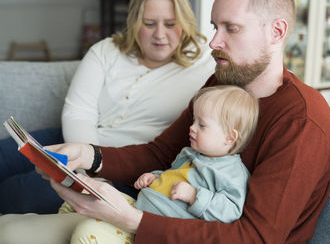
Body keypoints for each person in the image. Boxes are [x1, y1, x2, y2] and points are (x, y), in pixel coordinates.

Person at [0, 0, 330, 243]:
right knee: (10, 229)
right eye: (214, 26)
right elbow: (161, 152)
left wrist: (130, 220)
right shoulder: (220, 83)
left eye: (231, 28)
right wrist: (90, 155)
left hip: (168, 229)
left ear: (277, 32)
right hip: (157, 219)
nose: (213, 42)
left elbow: (255, 237)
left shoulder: (301, 122)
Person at [0, 0, 214, 214]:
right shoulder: (106, 50)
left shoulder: (204, 64)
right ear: (134, 22)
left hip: (127, 165)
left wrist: (96, 173)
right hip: (73, 140)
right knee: (4, 156)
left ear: (184, 23)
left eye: (171, 24)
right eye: (150, 23)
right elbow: (78, 113)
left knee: (18, 193)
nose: (160, 34)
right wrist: (85, 165)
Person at [61, 85, 258, 243]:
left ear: (230, 137)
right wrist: (154, 177)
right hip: (139, 207)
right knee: (84, 192)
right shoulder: (189, 153)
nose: (192, 128)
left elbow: (231, 212)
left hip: (153, 230)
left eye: (202, 125)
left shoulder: (231, 172)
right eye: (194, 121)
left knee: (87, 233)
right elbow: (171, 175)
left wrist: (194, 196)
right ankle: (63, 222)